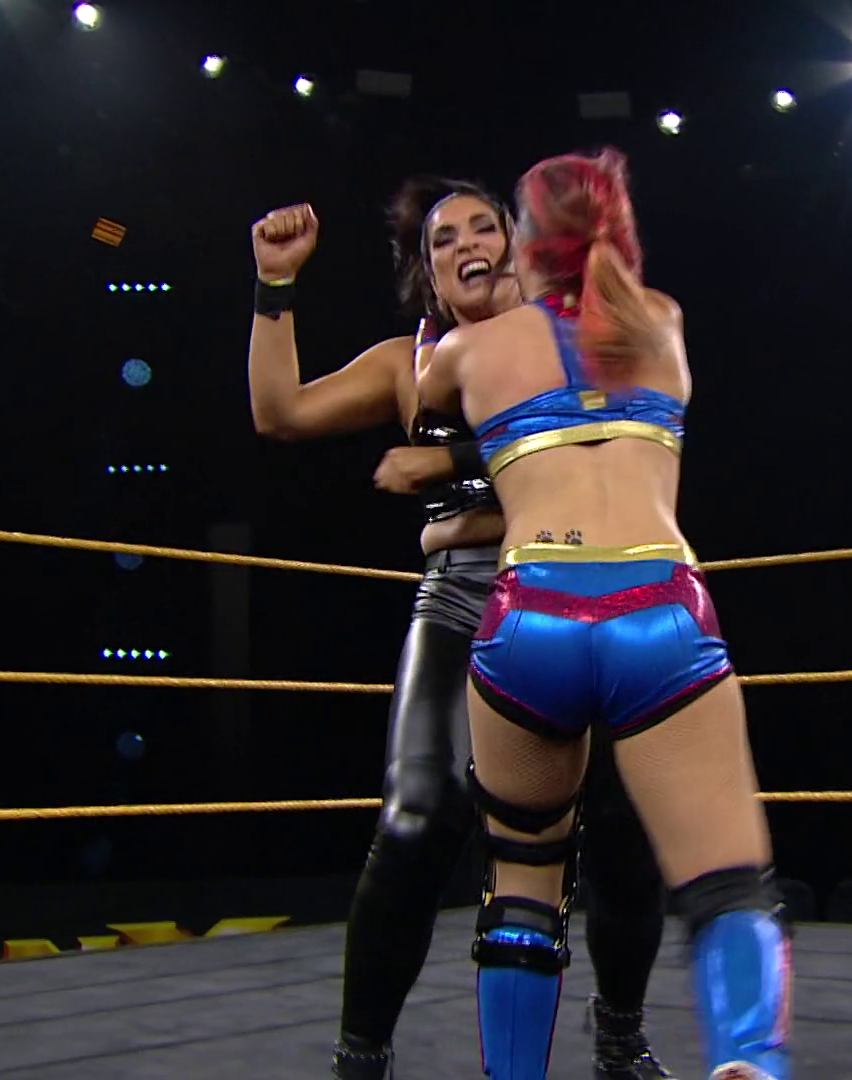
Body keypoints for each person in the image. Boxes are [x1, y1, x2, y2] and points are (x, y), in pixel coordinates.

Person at [248, 178, 675, 1080]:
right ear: (429, 273)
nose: (470, 245)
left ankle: (619, 1038)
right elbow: (278, 413)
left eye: (487, 227)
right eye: (445, 240)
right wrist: (274, 284)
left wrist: (443, 460)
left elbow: (619, 433)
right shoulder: (409, 364)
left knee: (626, 828)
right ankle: (360, 1058)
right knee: (417, 817)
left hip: (580, 587)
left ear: (522, 247)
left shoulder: (573, 338)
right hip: (462, 597)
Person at [418, 148, 791, 1080]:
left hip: (530, 612)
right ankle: (749, 1056)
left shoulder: (469, 350)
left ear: (526, 243)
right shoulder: (661, 321)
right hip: (658, 608)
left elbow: (420, 407)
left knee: (523, 882)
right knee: (727, 881)